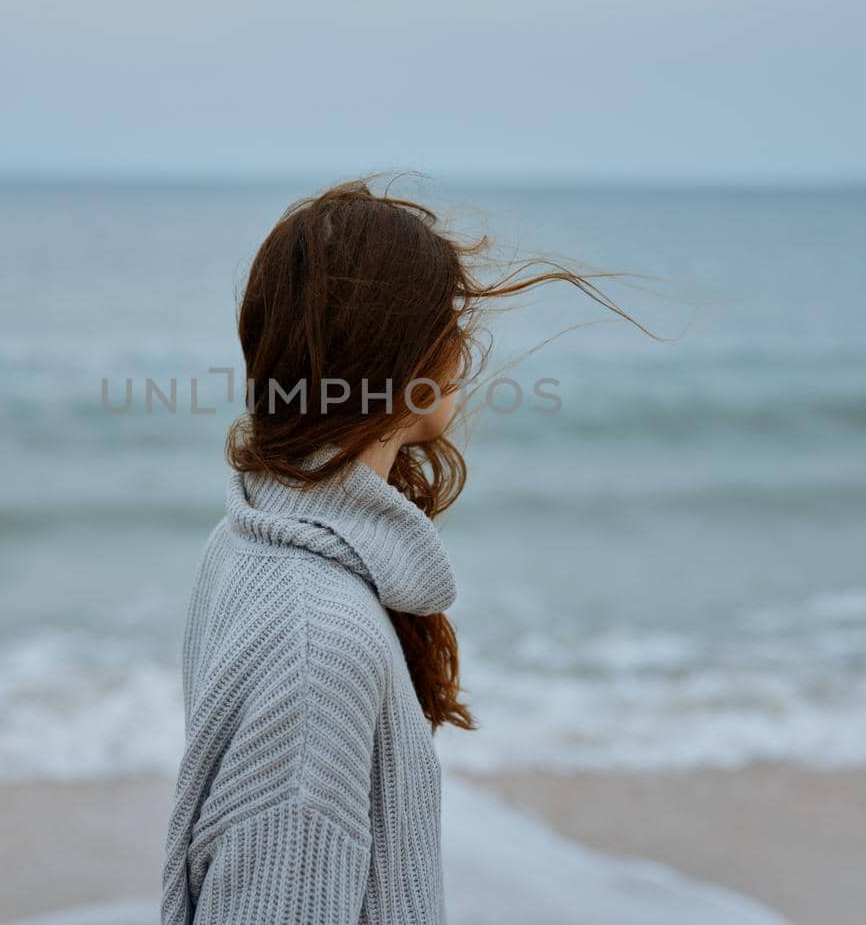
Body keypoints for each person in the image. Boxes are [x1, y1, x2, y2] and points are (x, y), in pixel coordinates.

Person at [161, 178, 647, 924]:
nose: (464, 347)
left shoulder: (240, 537)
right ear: (403, 363)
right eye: (448, 321)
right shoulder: (318, 638)